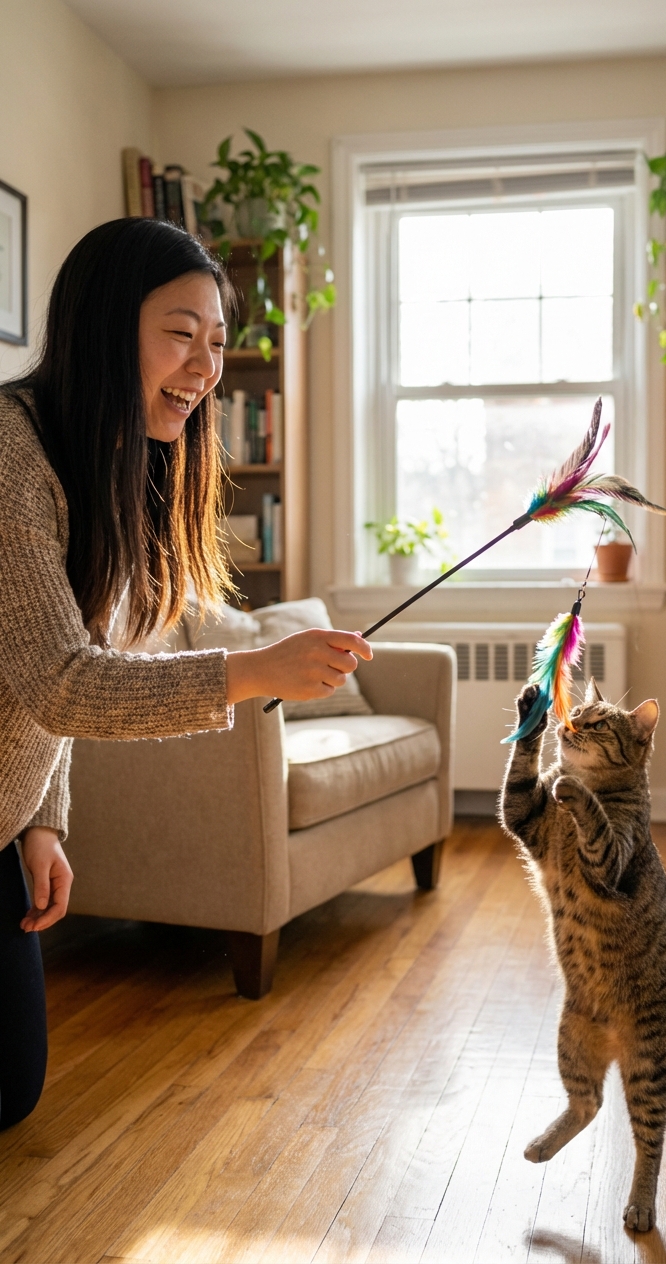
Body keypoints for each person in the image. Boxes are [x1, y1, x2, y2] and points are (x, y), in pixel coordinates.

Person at [0, 217, 371, 1130]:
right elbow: (64, 682)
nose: (206, 368)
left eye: (216, 342)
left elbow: (57, 680)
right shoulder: (11, 453)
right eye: (180, 334)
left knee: (13, 1091)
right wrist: (253, 671)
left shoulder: (119, 469)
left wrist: (38, 825)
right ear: (102, 327)